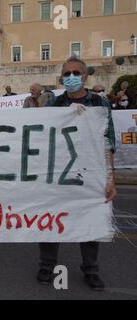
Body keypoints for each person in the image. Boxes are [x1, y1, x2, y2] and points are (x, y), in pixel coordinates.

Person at [39, 56, 117, 291]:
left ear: (84, 76)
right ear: (62, 77)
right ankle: (47, 265)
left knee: (90, 219)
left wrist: (110, 178)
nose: (71, 77)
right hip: (58, 173)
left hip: (90, 172)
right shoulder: (53, 104)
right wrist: (64, 118)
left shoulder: (100, 104)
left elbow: (108, 141)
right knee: (50, 220)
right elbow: (42, 136)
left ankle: (91, 270)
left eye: (75, 73)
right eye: (67, 73)